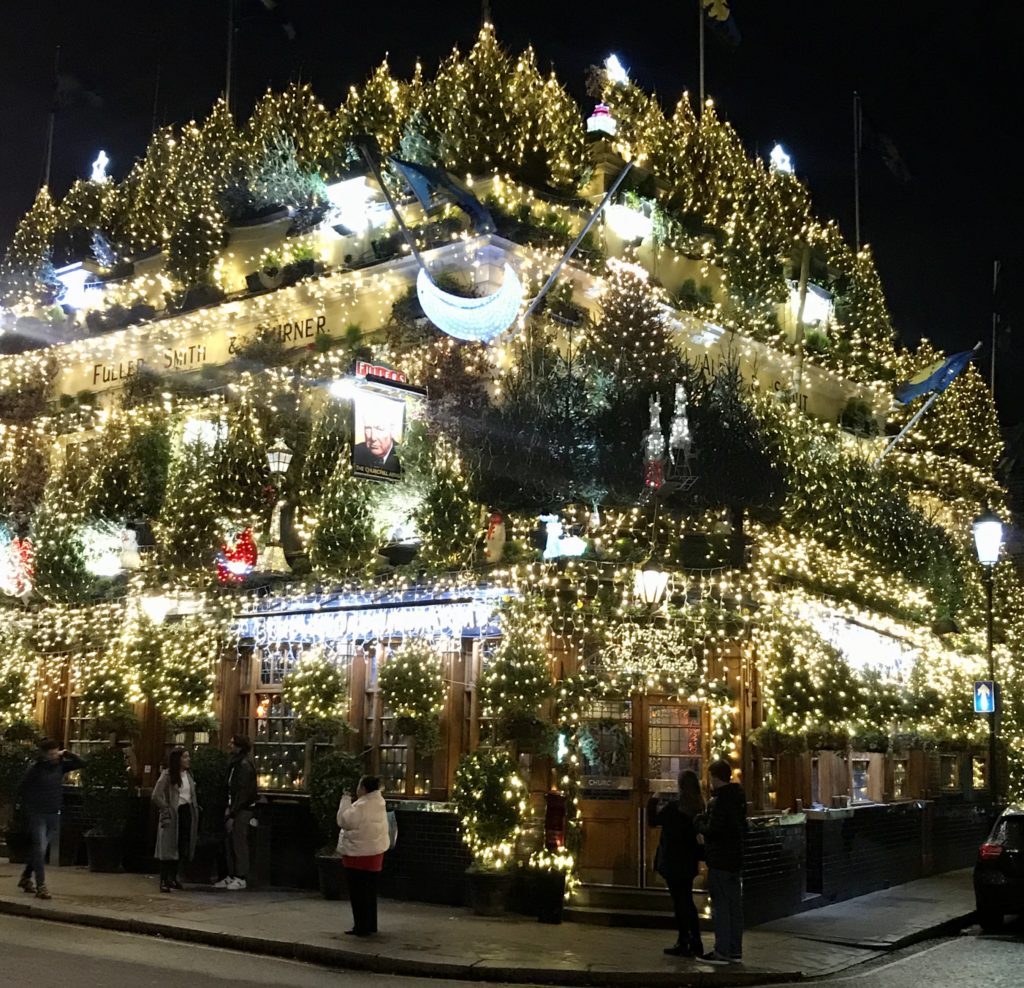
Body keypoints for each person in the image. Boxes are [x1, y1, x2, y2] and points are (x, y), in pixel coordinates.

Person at [16, 738, 84, 900]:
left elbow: (82, 763)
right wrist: (29, 806)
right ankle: (41, 886)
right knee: (40, 848)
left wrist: (67, 753)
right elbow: (21, 788)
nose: (54, 755)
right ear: (44, 754)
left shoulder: (60, 766)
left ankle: (26, 878)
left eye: (56, 752)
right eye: (51, 753)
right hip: (38, 814)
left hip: (53, 813)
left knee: (40, 849)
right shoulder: (35, 769)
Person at [694, 758, 747, 965]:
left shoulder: (719, 801)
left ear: (714, 777)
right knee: (734, 907)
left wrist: (699, 823)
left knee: (721, 907)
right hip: (735, 860)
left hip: (720, 860)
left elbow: (714, 829)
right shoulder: (738, 798)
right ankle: (735, 950)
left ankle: (722, 951)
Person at [648, 769, 705, 957]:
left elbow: (653, 821)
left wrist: (653, 800)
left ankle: (684, 940)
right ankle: (695, 941)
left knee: (680, 902)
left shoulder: (674, 809)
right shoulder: (698, 807)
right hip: (688, 861)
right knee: (687, 900)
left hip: (673, 861)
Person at [337, 775, 390, 937]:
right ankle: (371, 924)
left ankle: (361, 926)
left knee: (358, 892)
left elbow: (343, 820)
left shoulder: (361, 806)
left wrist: (345, 800)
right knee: (370, 892)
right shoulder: (380, 803)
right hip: (375, 854)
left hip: (357, 855)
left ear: (364, 789)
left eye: (359, 786)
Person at [151, 747, 200, 893]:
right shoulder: (167, 775)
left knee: (181, 845)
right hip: (173, 813)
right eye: (185, 757)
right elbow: (156, 795)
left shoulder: (188, 775)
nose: (188, 759)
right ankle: (164, 880)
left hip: (186, 811)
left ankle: (173, 877)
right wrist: (166, 808)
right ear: (177, 759)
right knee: (168, 846)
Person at [214, 735, 257, 891]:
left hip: (241, 810)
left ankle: (241, 877)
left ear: (239, 746)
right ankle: (232, 875)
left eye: (232, 743)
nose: (229, 745)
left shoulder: (243, 765)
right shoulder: (235, 764)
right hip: (233, 808)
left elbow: (243, 792)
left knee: (239, 842)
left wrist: (232, 813)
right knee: (231, 842)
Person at [352, 399, 402, 476]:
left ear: (391, 429)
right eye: (368, 428)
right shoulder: (355, 452)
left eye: (379, 429)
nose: (373, 437)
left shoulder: (404, 457)